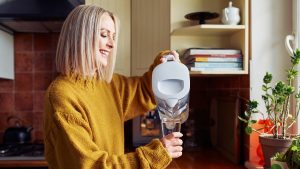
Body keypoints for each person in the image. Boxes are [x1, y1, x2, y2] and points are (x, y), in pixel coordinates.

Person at [43, 4, 183, 169]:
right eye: (104, 35)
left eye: (113, 37)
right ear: (80, 36)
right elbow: (90, 165)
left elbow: (145, 90)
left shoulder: (110, 85)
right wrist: (152, 155)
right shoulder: (62, 95)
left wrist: (163, 65)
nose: (111, 44)